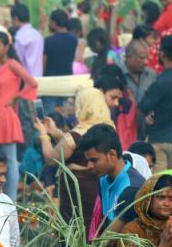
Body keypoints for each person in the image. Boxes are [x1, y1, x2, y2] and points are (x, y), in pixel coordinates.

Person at [35, 87, 115, 228]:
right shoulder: (109, 129)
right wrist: (55, 132)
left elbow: (51, 158)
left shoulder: (75, 135)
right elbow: (77, 145)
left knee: (75, 234)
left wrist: (43, 134)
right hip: (102, 191)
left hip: (77, 194)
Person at [0, 31, 38, 200]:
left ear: (6, 47)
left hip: (7, 115)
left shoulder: (12, 64)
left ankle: (11, 199)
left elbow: (33, 82)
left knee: (10, 158)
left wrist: (16, 97)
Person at [138, 35, 172, 171]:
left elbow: (143, 105)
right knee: (170, 182)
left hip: (159, 140)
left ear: (162, 54)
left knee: (158, 185)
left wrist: (149, 112)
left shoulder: (161, 81)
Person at [42, 9, 79, 113]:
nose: (49, 24)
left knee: (50, 116)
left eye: (50, 21)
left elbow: (43, 63)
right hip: (67, 82)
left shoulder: (48, 41)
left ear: (54, 22)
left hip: (51, 84)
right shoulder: (73, 39)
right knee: (65, 114)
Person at [10, 4, 43, 78]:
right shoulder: (38, 35)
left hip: (26, 80)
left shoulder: (19, 38)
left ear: (16, 19)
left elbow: (17, 61)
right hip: (39, 78)